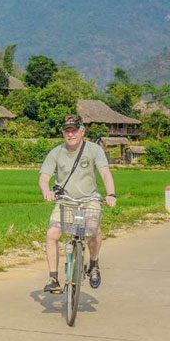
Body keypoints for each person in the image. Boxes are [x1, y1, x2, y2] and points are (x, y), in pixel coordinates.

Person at [38, 115, 116, 294]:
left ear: (82, 131)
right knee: (52, 234)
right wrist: (46, 190)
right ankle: (53, 277)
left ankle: (94, 264)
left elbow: (105, 173)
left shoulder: (94, 150)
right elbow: (44, 177)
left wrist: (110, 193)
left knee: (92, 229)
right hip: (66, 200)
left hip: (90, 200)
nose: (70, 134)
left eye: (74, 130)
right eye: (67, 130)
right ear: (63, 133)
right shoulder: (56, 152)